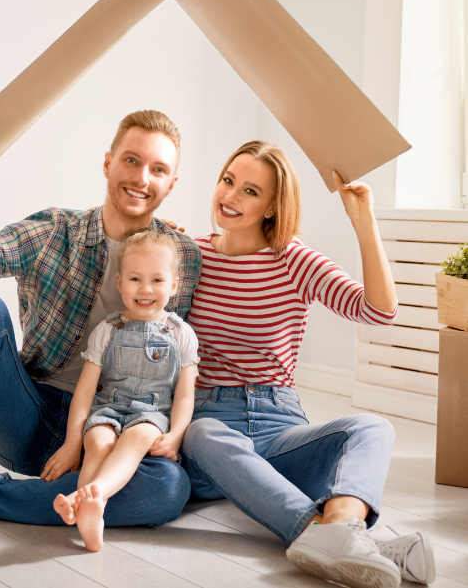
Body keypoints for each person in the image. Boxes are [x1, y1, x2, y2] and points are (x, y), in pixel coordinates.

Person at [0, 110, 201, 581]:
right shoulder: (55, 231)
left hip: (118, 432)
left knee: (169, 489)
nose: (141, 177)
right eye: (131, 160)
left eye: (158, 169)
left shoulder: (184, 258)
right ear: (108, 162)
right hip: (32, 416)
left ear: (171, 184)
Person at [180, 141, 435, 588]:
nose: (231, 196)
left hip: (281, 426)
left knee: (374, 428)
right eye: (228, 180)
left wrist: (364, 222)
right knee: (202, 432)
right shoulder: (188, 255)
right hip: (209, 427)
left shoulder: (294, 259)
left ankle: (339, 528)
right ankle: (342, 539)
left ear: (273, 206)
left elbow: (379, 312)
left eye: (250, 191)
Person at [49, 230, 199, 551]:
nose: (145, 289)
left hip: (151, 414)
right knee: (99, 442)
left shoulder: (181, 334)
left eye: (157, 280)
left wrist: (176, 435)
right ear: (119, 283)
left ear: (174, 285)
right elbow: (85, 393)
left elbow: (185, 395)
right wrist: (73, 442)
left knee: (136, 437)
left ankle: (87, 498)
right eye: (135, 278)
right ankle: (92, 512)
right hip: (108, 409)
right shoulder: (107, 330)